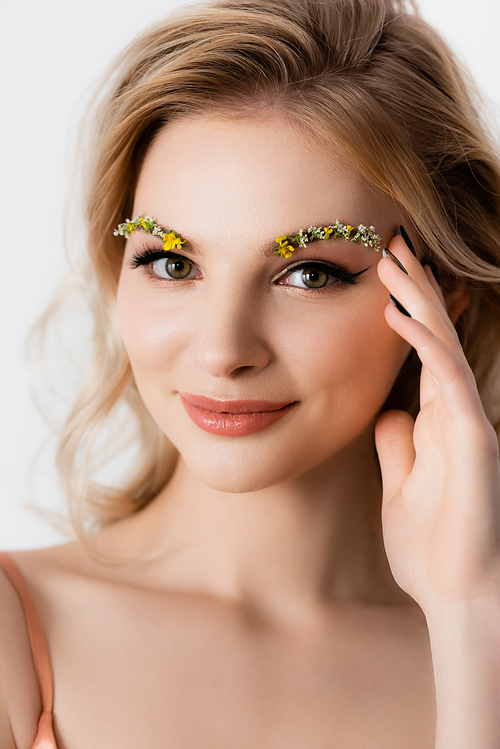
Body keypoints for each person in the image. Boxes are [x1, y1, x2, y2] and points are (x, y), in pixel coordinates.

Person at [1, 0, 499, 746]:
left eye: (310, 274)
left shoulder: (483, 632)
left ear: (441, 291)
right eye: (172, 263)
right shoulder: (16, 632)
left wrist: (471, 617)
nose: (223, 348)